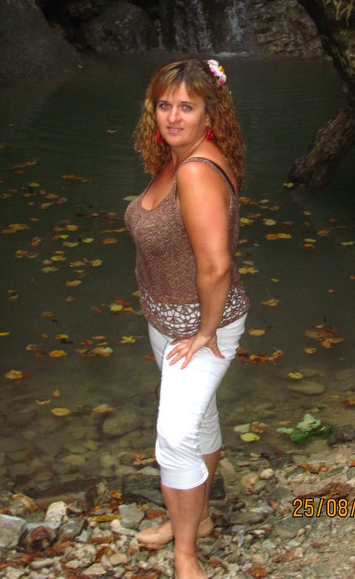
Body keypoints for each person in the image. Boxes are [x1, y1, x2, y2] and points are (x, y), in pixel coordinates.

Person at [125, 58, 249, 579]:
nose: (173, 117)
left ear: (209, 115)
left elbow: (216, 265)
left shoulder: (196, 171)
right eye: (164, 105)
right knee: (200, 419)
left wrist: (204, 332)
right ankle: (195, 520)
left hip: (200, 330)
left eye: (186, 107)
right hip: (168, 323)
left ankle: (186, 555)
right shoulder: (175, 159)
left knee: (175, 435)